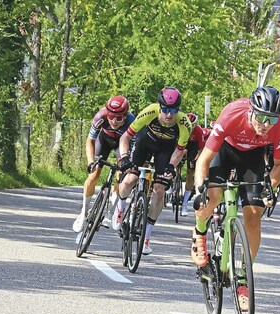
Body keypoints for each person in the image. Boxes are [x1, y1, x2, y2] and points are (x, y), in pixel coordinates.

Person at [192, 86, 280, 311]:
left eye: (271, 120)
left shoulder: (279, 129)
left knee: (254, 216)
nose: (265, 125)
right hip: (224, 152)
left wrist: (269, 188)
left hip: (252, 158)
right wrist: (199, 189)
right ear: (251, 111)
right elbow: (204, 160)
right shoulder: (231, 115)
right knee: (212, 197)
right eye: (262, 117)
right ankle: (200, 233)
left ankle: (243, 279)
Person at [111, 87, 193, 255]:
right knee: (129, 179)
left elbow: (179, 150)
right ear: (159, 106)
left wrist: (171, 166)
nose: (169, 115)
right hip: (144, 143)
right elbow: (125, 137)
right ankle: (120, 209)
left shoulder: (184, 123)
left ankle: (146, 237)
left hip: (166, 150)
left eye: (174, 110)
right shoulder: (149, 111)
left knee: (159, 191)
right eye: (165, 110)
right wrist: (125, 157)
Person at [72, 95, 135, 233]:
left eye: (119, 118)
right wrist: (90, 161)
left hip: (122, 144)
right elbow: (90, 141)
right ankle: (84, 212)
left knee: (122, 177)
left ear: (125, 116)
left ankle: (110, 212)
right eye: (111, 116)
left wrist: (127, 163)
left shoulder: (132, 121)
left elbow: (133, 145)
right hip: (104, 140)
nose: (114, 121)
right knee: (93, 176)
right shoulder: (100, 116)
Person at [180, 113, 211, 217]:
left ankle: (184, 204)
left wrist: (196, 159)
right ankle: (173, 183)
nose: (191, 127)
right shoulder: (181, 126)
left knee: (190, 174)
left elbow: (201, 148)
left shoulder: (198, 130)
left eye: (193, 125)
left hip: (194, 147)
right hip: (182, 143)